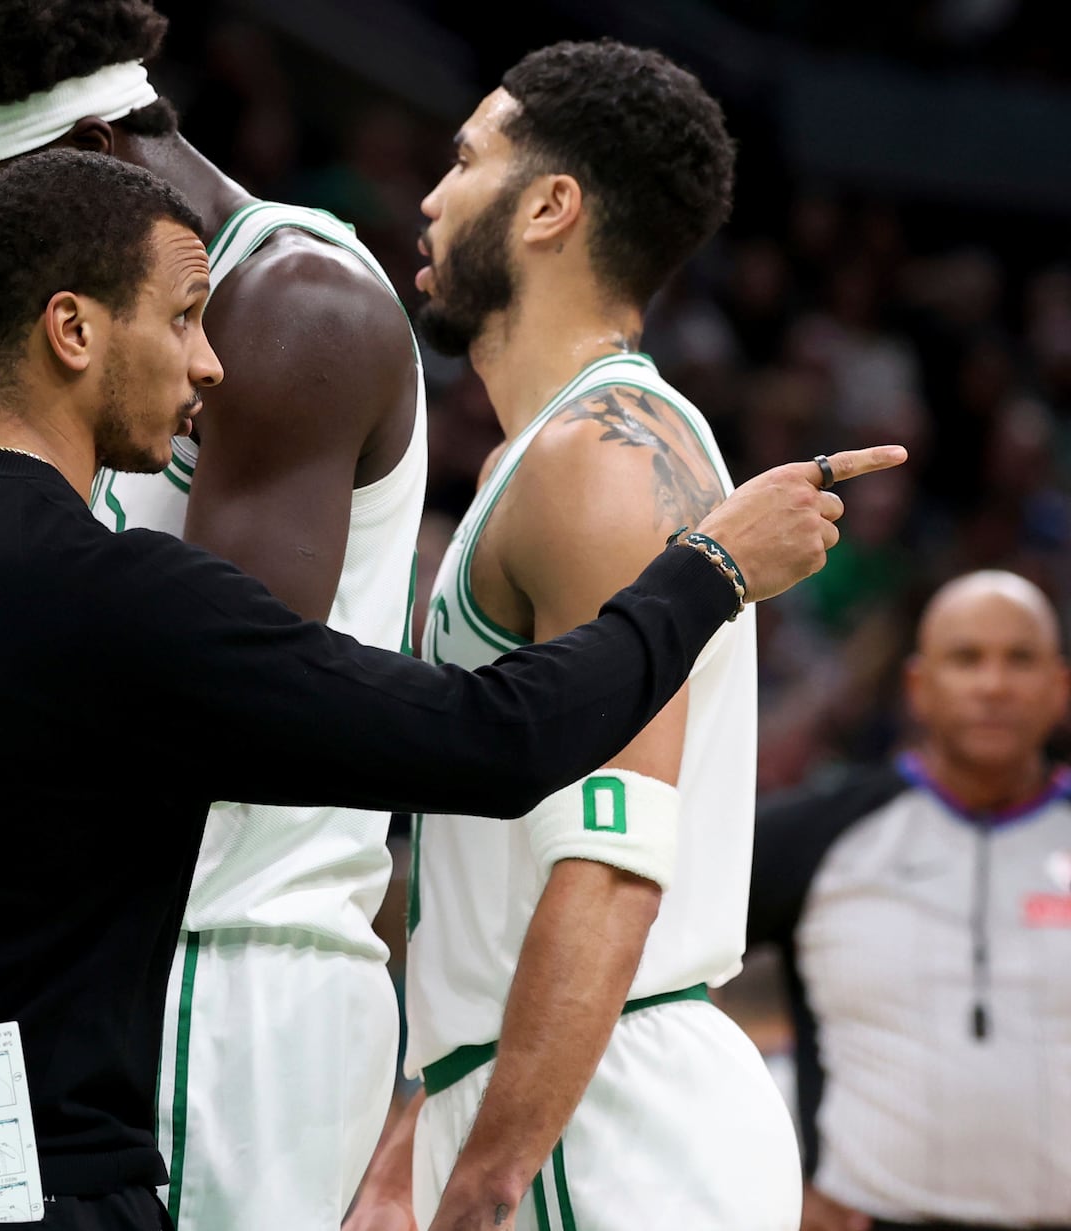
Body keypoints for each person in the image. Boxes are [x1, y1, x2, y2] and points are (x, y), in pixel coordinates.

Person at [0, 149, 896, 1231]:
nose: (211, 363)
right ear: (73, 329)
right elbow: (497, 737)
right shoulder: (118, 596)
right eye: (185, 317)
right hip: (25, 1191)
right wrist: (711, 567)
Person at [0, 3, 429, 1225]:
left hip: (212, 969)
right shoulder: (66, 331)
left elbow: (220, 693)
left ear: (104, 154)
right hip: (38, 950)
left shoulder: (291, 307)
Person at [348, 39, 801, 1231]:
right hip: (560, 1093)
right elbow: (481, 884)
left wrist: (486, 1181)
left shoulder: (595, 460)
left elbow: (610, 863)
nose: (434, 196)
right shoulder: (547, 451)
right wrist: (415, 1128)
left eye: (464, 158)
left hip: (590, 1120)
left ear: (550, 207)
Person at [747, 570, 1071, 1231]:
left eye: (1019, 658)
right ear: (918, 687)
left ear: (1059, 686)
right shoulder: (820, 832)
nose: (993, 684)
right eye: (966, 657)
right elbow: (662, 967)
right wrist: (767, 1180)